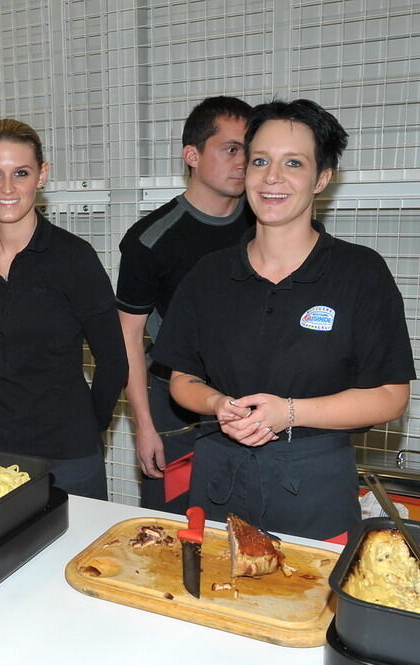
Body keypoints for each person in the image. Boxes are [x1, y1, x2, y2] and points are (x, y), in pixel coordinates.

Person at [151, 99, 415, 540]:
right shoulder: (210, 274)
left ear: (322, 179)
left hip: (314, 488)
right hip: (219, 484)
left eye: (293, 163)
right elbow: (183, 379)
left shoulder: (359, 273)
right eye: (260, 161)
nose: (272, 177)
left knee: (310, 605)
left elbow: (390, 396)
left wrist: (289, 412)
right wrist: (219, 405)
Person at [0, 119, 127, 500]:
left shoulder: (73, 258)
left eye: (22, 173)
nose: (8, 187)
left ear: (42, 176)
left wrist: (86, 428)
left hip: (66, 458)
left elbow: (114, 359)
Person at [115, 96, 253, 513]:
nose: (243, 161)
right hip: (176, 411)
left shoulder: (271, 225)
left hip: (257, 404)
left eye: (251, 149)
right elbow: (128, 338)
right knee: (174, 533)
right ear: (192, 155)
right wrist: (145, 427)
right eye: (231, 149)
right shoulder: (150, 239)